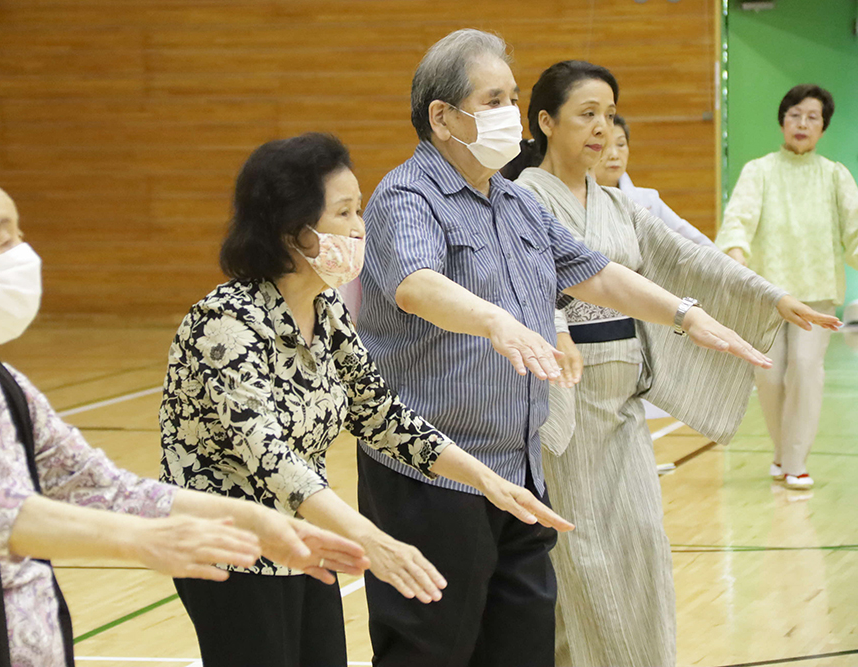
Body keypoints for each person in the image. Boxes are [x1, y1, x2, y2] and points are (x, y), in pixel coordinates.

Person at [354, 30, 820, 667]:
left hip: (520, 469)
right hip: (435, 472)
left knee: (521, 645)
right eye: (493, 100)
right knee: (430, 649)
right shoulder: (406, 196)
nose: (509, 116)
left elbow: (596, 273)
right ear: (443, 116)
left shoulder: (513, 201)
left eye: (512, 100)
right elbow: (415, 285)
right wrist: (498, 321)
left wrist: (686, 314)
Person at [0, 151, 367, 667]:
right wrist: (144, 540)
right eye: (1, 238)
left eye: (20, 233)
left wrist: (254, 520)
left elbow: (104, 486)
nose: (24, 253)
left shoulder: (4, 385)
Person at [158, 132, 573, 667]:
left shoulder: (326, 310)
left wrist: (485, 479)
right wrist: (370, 538)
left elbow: (382, 416)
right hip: (231, 547)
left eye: (361, 209)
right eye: (345, 213)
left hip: (302, 540)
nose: (361, 227)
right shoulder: (226, 323)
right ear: (293, 232)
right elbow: (274, 462)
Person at [511, 60, 840, 667]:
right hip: (569, 413)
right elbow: (526, 286)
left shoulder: (617, 201)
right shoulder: (523, 200)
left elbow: (693, 258)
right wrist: (554, 327)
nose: (603, 130)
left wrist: (770, 295)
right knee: (585, 561)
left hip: (626, 406)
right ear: (544, 122)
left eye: (609, 116)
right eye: (587, 115)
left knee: (643, 548)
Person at [715, 84, 858, 490]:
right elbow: (738, 220)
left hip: (817, 293)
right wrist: (737, 255)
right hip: (769, 295)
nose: (802, 123)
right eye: (795, 115)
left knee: (806, 372)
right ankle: (783, 453)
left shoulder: (835, 175)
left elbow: (856, 230)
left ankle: (795, 461)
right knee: (771, 376)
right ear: (782, 121)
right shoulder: (759, 170)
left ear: (823, 128)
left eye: (813, 117)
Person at [595, 115, 715, 247]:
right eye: (604, 146)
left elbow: (692, 241)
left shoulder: (648, 201)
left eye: (621, 144)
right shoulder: (577, 200)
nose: (614, 155)